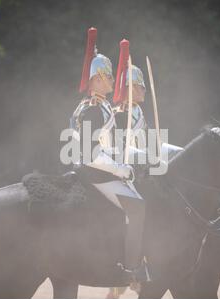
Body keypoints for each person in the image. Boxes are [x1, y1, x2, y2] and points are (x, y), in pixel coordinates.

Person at [69, 29, 149, 285]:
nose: (113, 80)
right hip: (96, 173)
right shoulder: (94, 108)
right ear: (96, 78)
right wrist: (120, 170)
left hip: (99, 169)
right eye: (107, 76)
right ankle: (130, 270)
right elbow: (89, 153)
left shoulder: (97, 105)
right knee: (138, 209)